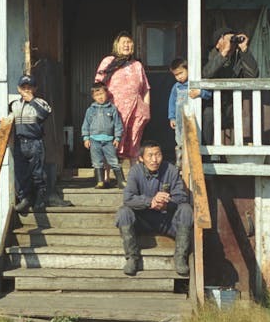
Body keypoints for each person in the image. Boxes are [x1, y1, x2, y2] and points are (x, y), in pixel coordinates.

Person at [114, 141, 193, 276]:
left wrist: (167, 203)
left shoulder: (171, 170)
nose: (154, 160)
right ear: (141, 158)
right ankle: (132, 258)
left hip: (167, 221)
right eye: (150, 156)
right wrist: (151, 201)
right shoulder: (135, 171)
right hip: (143, 220)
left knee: (186, 209)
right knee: (123, 212)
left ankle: (180, 258)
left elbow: (181, 196)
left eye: (158, 155)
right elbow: (128, 198)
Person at [94, 31, 150, 166]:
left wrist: (147, 108)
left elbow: (146, 89)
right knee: (109, 142)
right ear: (116, 45)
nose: (127, 45)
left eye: (129, 42)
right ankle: (106, 178)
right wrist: (100, 107)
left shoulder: (137, 65)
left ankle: (134, 178)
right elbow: (98, 85)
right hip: (114, 110)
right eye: (123, 42)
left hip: (136, 110)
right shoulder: (108, 61)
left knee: (134, 142)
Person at [201, 27, 259, 144]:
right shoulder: (208, 55)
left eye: (234, 40)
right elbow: (206, 73)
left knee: (238, 116)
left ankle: (232, 154)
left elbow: (253, 75)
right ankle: (205, 155)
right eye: (229, 39)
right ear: (219, 42)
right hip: (210, 103)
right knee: (208, 115)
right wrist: (223, 54)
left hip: (231, 105)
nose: (232, 43)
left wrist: (244, 49)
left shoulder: (238, 57)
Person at [5, 74, 52, 214]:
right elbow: (8, 118)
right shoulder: (14, 104)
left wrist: (32, 100)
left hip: (34, 142)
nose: (26, 90)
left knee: (37, 171)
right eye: (23, 87)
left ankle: (40, 198)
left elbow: (44, 114)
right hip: (19, 143)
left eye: (29, 87)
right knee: (20, 172)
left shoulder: (40, 102)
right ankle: (24, 199)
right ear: (18, 89)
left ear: (35, 88)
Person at [168, 57, 211, 168]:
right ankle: (180, 160)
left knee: (193, 138)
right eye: (176, 75)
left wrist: (200, 92)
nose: (179, 77)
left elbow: (209, 95)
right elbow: (172, 102)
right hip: (179, 119)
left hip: (193, 118)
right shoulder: (176, 87)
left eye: (181, 73)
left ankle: (193, 160)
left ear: (188, 70)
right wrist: (172, 117)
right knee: (179, 139)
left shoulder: (195, 84)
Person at [81, 82, 126, 190]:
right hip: (94, 140)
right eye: (96, 95)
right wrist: (86, 138)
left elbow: (118, 124)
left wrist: (117, 137)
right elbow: (86, 124)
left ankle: (121, 181)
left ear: (107, 94)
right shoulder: (90, 110)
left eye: (101, 94)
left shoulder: (112, 109)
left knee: (113, 161)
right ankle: (100, 181)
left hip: (109, 140)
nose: (100, 97)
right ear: (93, 97)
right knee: (97, 162)